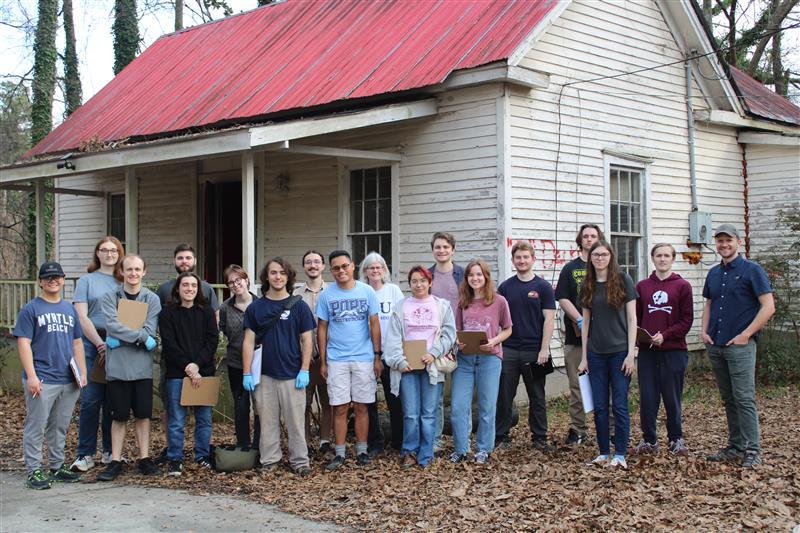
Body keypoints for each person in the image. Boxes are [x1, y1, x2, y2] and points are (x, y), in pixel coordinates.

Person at [702, 224, 774, 468]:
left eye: (728, 240)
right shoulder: (713, 273)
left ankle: (753, 450)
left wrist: (747, 334)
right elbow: (709, 304)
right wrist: (704, 331)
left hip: (740, 346)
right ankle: (735, 446)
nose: (724, 245)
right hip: (716, 344)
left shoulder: (752, 270)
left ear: (738, 242)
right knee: (729, 398)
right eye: (720, 241)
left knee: (744, 398)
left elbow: (768, 306)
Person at [14, 261, 86, 490]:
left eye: (56, 277)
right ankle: (33, 470)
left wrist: (82, 372)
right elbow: (23, 342)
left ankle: (56, 466)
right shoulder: (31, 309)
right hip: (42, 378)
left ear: (63, 279)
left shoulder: (69, 308)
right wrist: (32, 376)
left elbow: (77, 342)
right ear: (40, 282)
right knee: (36, 425)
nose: (52, 280)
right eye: (47, 277)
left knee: (59, 425)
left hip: (68, 378)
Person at [242, 258, 314, 475]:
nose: (278, 277)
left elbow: (307, 340)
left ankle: (300, 462)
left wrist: (304, 369)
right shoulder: (256, 308)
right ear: (266, 277)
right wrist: (246, 372)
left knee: (296, 422)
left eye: (282, 273)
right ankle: (270, 461)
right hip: (265, 375)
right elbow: (248, 341)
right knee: (268, 422)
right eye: (273, 273)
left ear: (288, 276)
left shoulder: (299, 306)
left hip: (293, 374)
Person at [383, 266, 456, 468]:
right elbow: (393, 338)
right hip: (407, 368)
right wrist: (399, 361)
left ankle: (426, 452)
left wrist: (434, 353)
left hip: (431, 366)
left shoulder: (441, 306)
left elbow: (450, 334)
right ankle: (409, 451)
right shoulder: (401, 307)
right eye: (414, 281)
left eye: (423, 280)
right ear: (410, 284)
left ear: (430, 282)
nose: (419, 284)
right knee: (411, 413)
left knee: (429, 412)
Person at [97, 254, 162, 481]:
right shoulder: (109, 298)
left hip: (142, 369)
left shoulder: (151, 299)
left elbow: (149, 331)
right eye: (129, 269)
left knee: (143, 415)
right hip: (118, 369)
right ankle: (115, 460)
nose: (133, 273)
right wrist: (139, 338)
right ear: (121, 272)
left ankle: (144, 459)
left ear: (144, 272)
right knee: (119, 416)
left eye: (137, 269)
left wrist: (124, 337)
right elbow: (112, 326)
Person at [316, 250, 382, 470]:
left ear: (353, 266)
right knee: (340, 407)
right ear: (331, 270)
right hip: (337, 359)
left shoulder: (367, 292)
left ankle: (362, 450)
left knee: (363, 406)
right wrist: (323, 360)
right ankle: (340, 452)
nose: (341, 271)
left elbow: (374, 324)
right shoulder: (326, 295)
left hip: (363, 357)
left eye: (344, 266)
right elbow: (322, 328)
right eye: (336, 268)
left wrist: (377, 356)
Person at [155, 243, 220, 462]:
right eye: (185, 285)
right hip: (176, 373)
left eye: (193, 286)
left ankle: (202, 455)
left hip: (204, 372)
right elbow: (170, 344)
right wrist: (187, 366)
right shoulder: (168, 314)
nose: (190, 289)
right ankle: (175, 458)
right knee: (176, 420)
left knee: (204, 419)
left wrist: (197, 366)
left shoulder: (207, 312)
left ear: (198, 289)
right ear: (178, 289)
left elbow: (212, 341)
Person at [578, 241, 637, 469]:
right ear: (590, 258)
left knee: (619, 404)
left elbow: (632, 319)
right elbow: (585, 324)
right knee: (600, 405)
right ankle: (603, 451)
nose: (600, 258)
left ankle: (620, 453)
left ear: (611, 257)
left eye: (604, 254)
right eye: (596, 255)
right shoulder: (588, 285)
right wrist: (584, 357)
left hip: (620, 352)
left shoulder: (623, 280)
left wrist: (631, 353)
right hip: (596, 353)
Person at [633, 243, 693, 456]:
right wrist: (639, 339)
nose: (662, 259)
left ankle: (676, 438)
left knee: (672, 396)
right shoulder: (642, 286)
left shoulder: (682, 286)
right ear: (653, 258)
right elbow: (636, 319)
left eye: (666, 255)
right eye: (658, 255)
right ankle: (649, 440)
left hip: (673, 351)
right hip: (648, 352)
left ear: (673, 259)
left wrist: (665, 336)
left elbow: (687, 320)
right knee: (648, 397)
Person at [450, 260, 512, 465]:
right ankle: (461, 449)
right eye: (471, 275)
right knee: (459, 406)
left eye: (479, 275)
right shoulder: (462, 302)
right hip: (465, 360)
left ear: (486, 277)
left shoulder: (499, 301)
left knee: (486, 406)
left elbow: (508, 329)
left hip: (490, 359)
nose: (475, 279)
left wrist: (493, 341)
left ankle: (484, 449)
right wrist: (459, 342)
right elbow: (457, 331)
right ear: (466, 279)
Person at [495, 241, 556, 451]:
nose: (522, 261)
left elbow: (549, 319)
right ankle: (501, 436)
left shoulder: (543, 287)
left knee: (537, 395)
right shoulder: (505, 287)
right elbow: (498, 318)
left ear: (533, 259)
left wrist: (544, 349)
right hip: (509, 349)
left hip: (534, 350)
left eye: (525, 257)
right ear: (513, 261)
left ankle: (539, 437)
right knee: (504, 395)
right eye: (518, 258)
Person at [70, 236, 123, 472]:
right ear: (98, 254)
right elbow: (81, 316)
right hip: (92, 345)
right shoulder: (86, 281)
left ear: (119, 253)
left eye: (114, 250)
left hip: (120, 344)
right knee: (91, 400)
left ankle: (110, 451)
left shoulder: (124, 281)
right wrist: (100, 343)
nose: (109, 254)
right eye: (105, 250)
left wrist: (116, 341)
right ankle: (85, 453)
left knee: (113, 401)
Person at [555, 223, 604, 446]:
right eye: (585, 236)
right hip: (575, 337)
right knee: (577, 385)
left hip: (605, 337)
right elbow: (563, 297)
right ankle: (578, 429)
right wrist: (580, 319)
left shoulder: (607, 268)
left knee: (606, 383)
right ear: (580, 240)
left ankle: (609, 429)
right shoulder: (570, 268)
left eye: (594, 236)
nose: (589, 239)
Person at [360, 252, 405, 456]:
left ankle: (399, 440)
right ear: (365, 271)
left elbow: (402, 319)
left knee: (394, 399)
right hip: (366, 354)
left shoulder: (393, 290)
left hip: (391, 353)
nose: (375, 271)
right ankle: (375, 442)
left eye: (379, 267)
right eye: (371, 268)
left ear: (384, 270)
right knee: (368, 401)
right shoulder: (361, 292)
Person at [429, 231, 465, 451]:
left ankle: (462, 439)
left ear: (453, 249)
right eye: (437, 247)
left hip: (461, 339)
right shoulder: (427, 274)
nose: (441, 251)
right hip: (436, 342)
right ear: (432, 250)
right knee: (437, 394)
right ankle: (436, 438)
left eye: (445, 247)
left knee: (461, 395)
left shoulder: (462, 274)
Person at [219, 264, 260, 451]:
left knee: (261, 405)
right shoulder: (225, 308)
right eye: (231, 283)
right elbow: (224, 330)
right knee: (241, 405)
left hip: (260, 362)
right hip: (235, 362)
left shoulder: (261, 304)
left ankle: (260, 445)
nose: (236, 285)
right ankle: (243, 445)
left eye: (239, 280)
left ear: (246, 280)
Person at [298, 250, 333, 455]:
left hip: (328, 357)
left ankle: (325, 440)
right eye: (308, 262)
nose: (313, 265)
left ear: (323, 266)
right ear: (304, 266)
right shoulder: (296, 295)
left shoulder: (332, 292)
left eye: (317, 262)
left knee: (328, 401)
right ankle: (305, 441)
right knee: (303, 403)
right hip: (304, 358)